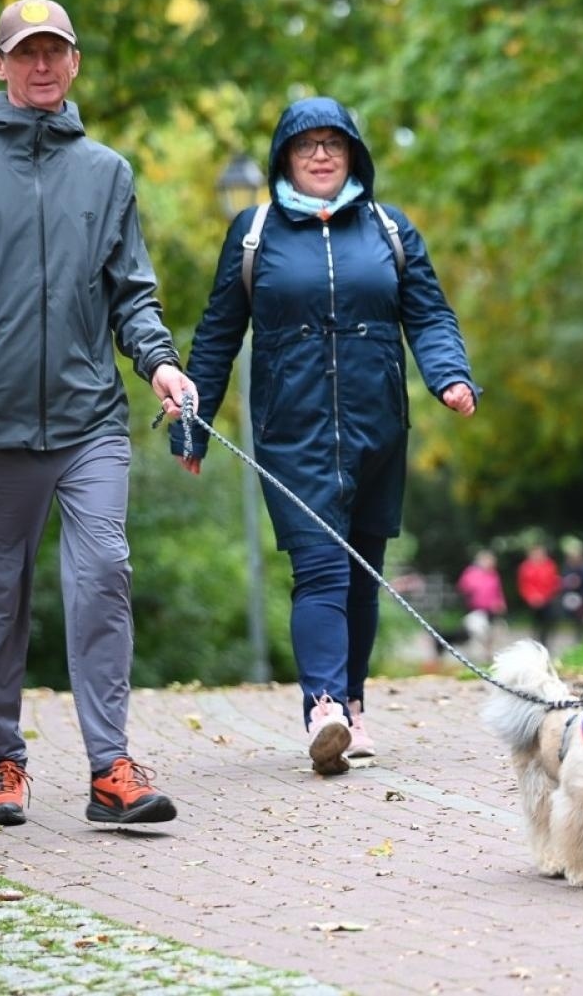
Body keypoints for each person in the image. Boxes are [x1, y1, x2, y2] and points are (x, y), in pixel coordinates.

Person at [0, 0, 195, 827]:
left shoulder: (107, 173)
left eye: (53, 51)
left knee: (102, 574)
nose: (40, 65)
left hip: (87, 420)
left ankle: (111, 770)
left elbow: (132, 293)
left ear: (73, 63)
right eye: (24, 51)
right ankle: (3, 762)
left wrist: (160, 362)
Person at [173, 96, 478, 776]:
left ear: (352, 155)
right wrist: (194, 424)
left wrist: (450, 376)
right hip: (293, 432)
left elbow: (430, 316)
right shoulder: (254, 233)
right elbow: (218, 333)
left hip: (377, 427)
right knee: (320, 567)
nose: (320, 155)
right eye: (305, 144)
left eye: (333, 143)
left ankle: (353, 705)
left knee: (363, 575)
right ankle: (324, 706)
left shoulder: (389, 229)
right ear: (285, 155)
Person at [456, 550, 508, 657]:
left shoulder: (493, 574)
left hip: (491, 610)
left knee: (493, 632)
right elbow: (463, 587)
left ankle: (488, 654)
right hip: (476, 609)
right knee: (478, 631)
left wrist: (500, 603)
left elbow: (498, 591)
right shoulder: (471, 573)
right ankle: (476, 653)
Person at [515, 543, 562, 646]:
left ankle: (545, 644)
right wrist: (532, 596)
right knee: (536, 624)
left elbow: (554, 582)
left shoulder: (550, 565)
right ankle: (536, 644)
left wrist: (545, 596)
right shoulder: (526, 567)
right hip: (532, 601)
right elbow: (523, 584)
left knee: (548, 624)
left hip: (548, 599)